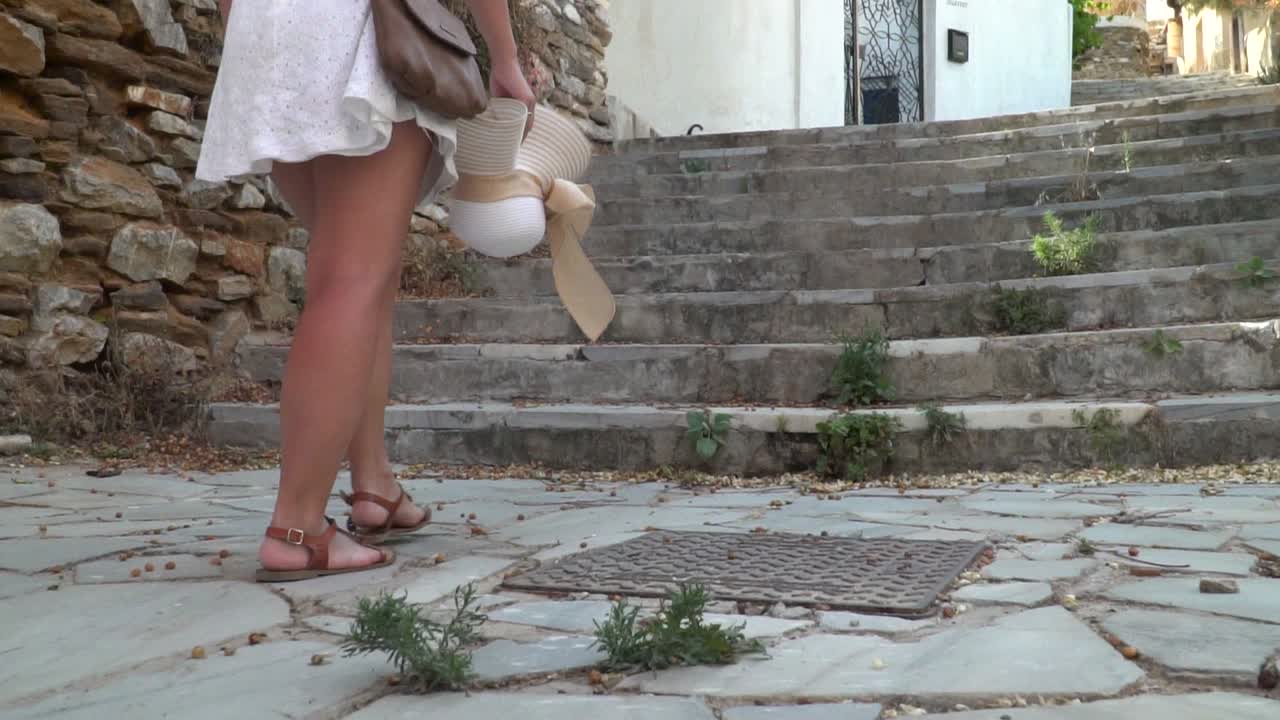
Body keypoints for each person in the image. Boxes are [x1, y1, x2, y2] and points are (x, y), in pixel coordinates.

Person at [198, 0, 535, 581]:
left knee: (357, 277)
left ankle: (374, 483)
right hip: (353, 31)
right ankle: (297, 528)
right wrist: (505, 57)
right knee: (352, 278)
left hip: (266, 33)